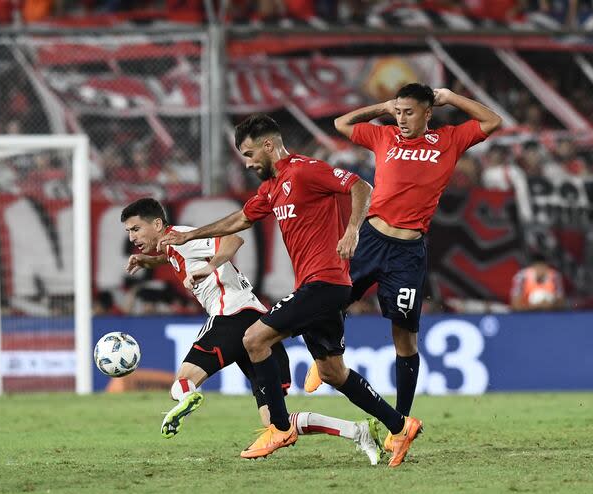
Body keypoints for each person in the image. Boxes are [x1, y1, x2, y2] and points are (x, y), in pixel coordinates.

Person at [160, 114, 423, 468]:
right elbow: (241, 219)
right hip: (319, 287)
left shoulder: (303, 170)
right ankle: (400, 425)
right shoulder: (271, 188)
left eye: (251, 153)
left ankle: (281, 428)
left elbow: (360, 186)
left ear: (269, 145)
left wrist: (353, 230)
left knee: (255, 339)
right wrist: (190, 236)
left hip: (324, 282)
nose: (249, 162)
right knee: (332, 372)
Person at [304, 83, 501, 452]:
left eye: (409, 112)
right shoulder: (384, 135)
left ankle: (400, 425)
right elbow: (341, 123)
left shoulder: (450, 140)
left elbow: (493, 121)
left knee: (405, 339)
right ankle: (327, 358)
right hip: (371, 239)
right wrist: (382, 106)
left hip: (408, 253)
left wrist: (451, 97)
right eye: (399, 112)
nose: (402, 118)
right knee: (329, 301)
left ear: (429, 112)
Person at [120, 198, 384, 465]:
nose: (132, 237)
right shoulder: (173, 246)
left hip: (232, 317)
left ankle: (186, 399)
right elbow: (173, 257)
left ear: (157, 224)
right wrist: (147, 262)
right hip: (259, 328)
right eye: (129, 232)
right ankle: (357, 431)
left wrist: (211, 266)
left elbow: (233, 240)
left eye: (136, 229)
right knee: (276, 422)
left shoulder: (182, 237)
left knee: (183, 382)